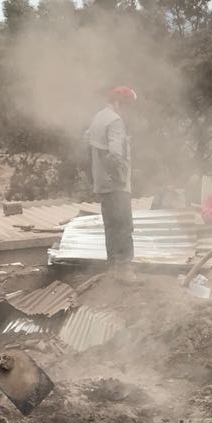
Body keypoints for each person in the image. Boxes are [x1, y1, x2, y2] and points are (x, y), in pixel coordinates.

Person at [85, 86, 139, 283]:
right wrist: (120, 177)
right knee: (124, 224)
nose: (128, 111)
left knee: (111, 225)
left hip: (102, 181)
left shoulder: (99, 117)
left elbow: (87, 139)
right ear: (118, 103)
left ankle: (113, 267)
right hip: (116, 183)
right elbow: (116, 153)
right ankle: (124, 269)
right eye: (127, 107)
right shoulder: (115, 121)